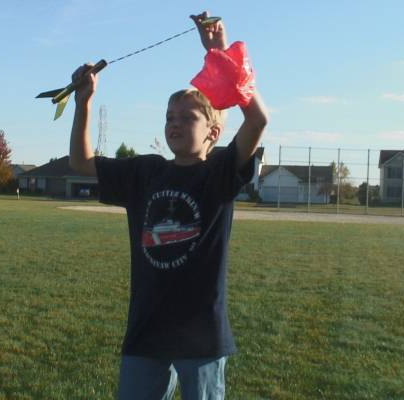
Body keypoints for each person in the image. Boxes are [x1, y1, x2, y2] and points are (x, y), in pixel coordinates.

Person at [68, 11, 268, 400]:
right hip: (147, 331)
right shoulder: (145, 172)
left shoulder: (220, 173)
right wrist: (83, 102)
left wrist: (220, 54)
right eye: (169, 117)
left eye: (187, 117)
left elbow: (258, 120)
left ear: (213, 131)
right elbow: (81, 162)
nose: (174, 124)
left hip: (202, 336)